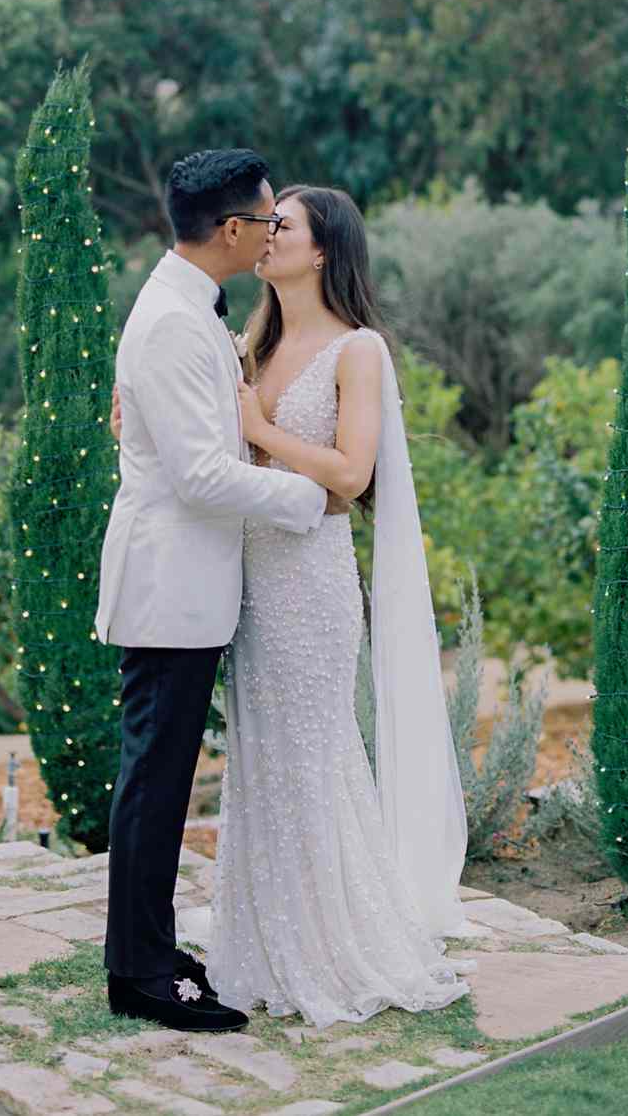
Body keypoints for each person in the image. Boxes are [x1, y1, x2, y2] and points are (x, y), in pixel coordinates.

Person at [186, 184, 469, 1027]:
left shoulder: (359, 352)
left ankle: (333, 942)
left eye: (284, 228)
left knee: (313, 756)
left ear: (322, 251)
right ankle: (264, 937)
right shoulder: (251, 340)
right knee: (261, 760)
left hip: (310, 582)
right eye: (267, 226)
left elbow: (351, 477)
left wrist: (259, 430)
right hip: (246, 579)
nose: (266, 238)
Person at [95, 150, 346, 1033]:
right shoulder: (169, 321)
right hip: (170, 584)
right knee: (154, 783)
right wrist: (303, 495)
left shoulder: (190, 310)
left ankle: (150, 950)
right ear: (232, 230)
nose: (275, 230)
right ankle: (139, 977)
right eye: (269, 219)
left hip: (190, 582)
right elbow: (201, 474)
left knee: (161, 779)